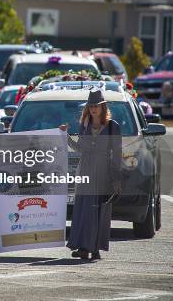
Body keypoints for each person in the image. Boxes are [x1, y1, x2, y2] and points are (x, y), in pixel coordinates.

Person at [60, 88, 122, 260]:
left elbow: (116, 154)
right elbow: (79, 148)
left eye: (97, 105)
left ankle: (95, 248)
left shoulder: (112, 126)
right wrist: (66, 137)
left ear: (103, 107)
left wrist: (117, 180)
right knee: (84, 210)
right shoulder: (85, 124)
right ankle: (83, 248)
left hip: (103, 171)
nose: (94, 109)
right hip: (86, 169)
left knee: (100, 212)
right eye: (91, 106)